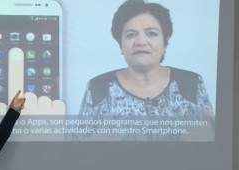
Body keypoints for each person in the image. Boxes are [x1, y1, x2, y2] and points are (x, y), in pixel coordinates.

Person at [78, 0, 214, 140]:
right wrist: (91, 145)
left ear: (165, 43)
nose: (141, 42)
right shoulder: (98, 88)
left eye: (151, 33)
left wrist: (210, 139)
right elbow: (75, 151)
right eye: (131, 35)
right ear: (121, 46)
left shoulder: (192, 83)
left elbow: (216, 145)